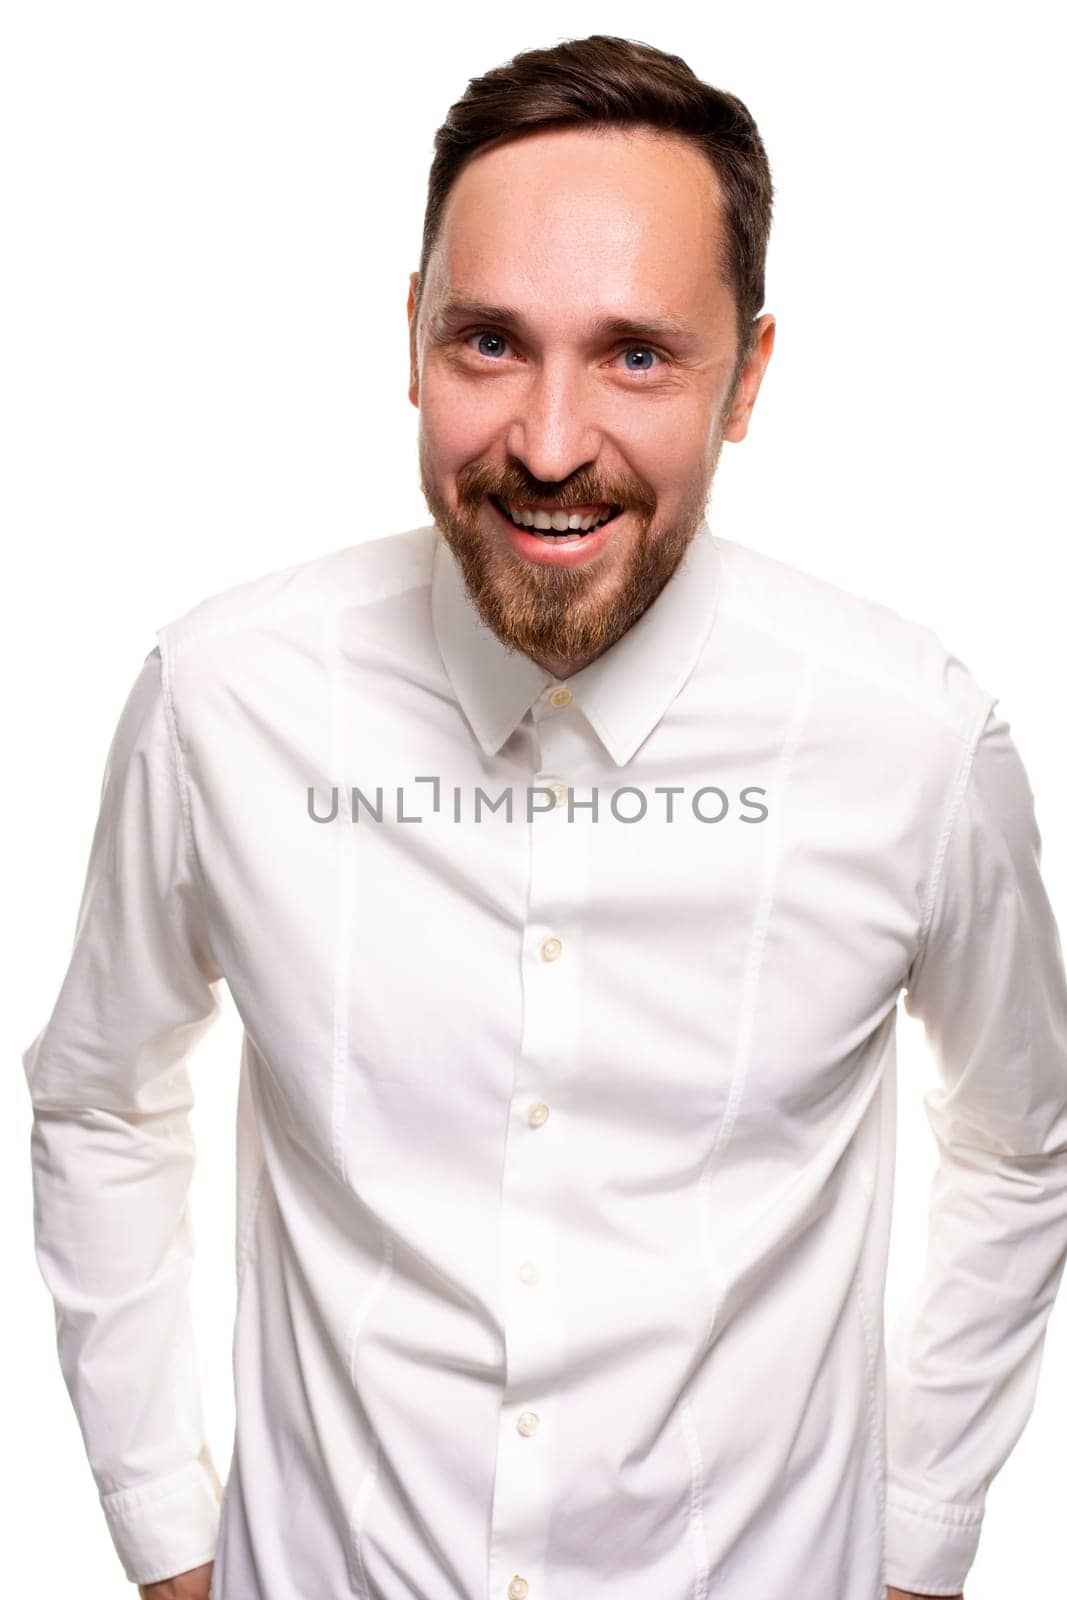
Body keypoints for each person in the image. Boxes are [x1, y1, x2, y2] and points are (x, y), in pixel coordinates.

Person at [21, 32, 1067, 1600]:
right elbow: (100, 1098)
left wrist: (918, 1545)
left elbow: (1021, 1138)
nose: (554, 443)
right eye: (491, 344)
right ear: (414, 346)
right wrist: (168, 1536)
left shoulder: (912, 741)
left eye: (638, 353)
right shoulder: (219, 699)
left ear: (750, 379)